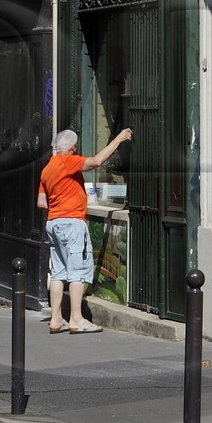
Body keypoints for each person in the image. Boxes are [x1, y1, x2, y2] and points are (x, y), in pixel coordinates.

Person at [38, 126, 132, 334]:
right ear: (73, 147)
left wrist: (61, 201)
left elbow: (41, 202)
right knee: (77, 273)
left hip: (54, 222)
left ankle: (55, 319)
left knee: (58, 273)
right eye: (76, 148)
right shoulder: (68, 161)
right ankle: (76, 319)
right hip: (72, 222)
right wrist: (118, 139)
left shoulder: (47, 168)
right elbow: (97, 161)